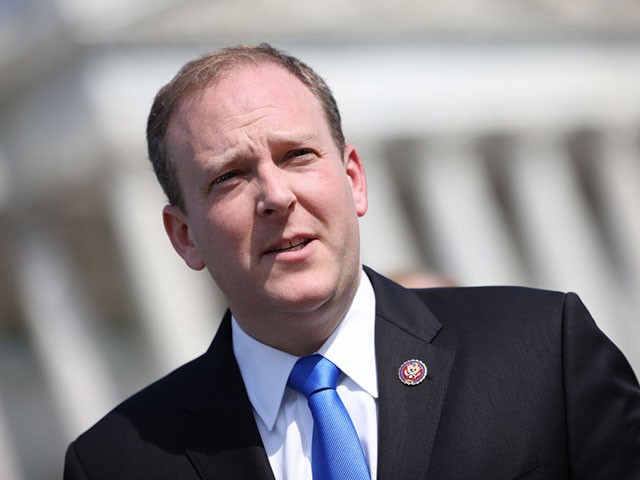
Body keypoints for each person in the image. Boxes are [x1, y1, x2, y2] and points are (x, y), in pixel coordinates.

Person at [64, 44, 640, 480]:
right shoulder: (117, 461)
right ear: (184, 236)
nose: (276, 195)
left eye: (298, 155)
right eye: (230, 176)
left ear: (354, 180)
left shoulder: (542, 351)